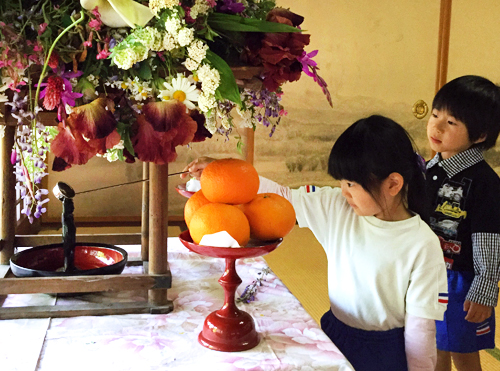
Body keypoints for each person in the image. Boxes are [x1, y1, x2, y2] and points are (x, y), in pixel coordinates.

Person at [181, 115, 448, 371]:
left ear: (393, 184)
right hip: (335, 336)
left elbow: (421, 331)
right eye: (341, 182)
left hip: (384, 355)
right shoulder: (337, 207)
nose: (344, 191)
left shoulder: (422, 244)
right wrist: (227, 174)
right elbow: (283, 197)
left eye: (352, 184)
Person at [425, 75, 500, 371]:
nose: (437, 126)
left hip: (461, 283)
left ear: (480, 135)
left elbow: (489, 240)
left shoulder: (484, 183)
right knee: (433, 343)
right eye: (435, 115)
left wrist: (483, 290)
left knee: (462, 349)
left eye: (452, 122)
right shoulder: (431, 167)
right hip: (428, 275)